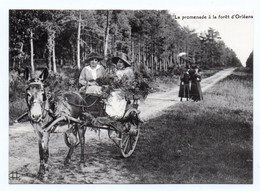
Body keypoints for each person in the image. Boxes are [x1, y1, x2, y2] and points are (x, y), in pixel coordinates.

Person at [105, 52, 135, 119]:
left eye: (121, 62)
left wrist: (125, 87)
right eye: (118, 62)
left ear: (124, 63)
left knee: (116, 96)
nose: (119, 64)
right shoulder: (116, 72)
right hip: (116, 90)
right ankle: (110, 114)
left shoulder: (128, 71)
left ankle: (118, 114)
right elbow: (113, 82)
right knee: (109, 95)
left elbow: (131, 82)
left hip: (125, 91)